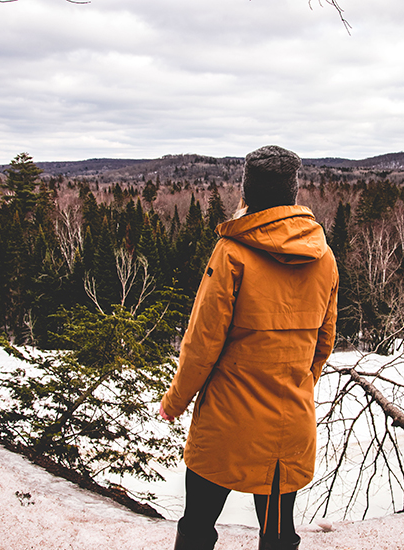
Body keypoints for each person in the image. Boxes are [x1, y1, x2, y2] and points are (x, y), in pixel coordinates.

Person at [159, 145, 339, 550]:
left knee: (198, 525)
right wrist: (298, 384)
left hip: (226, 421)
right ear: (293, 192)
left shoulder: (232, 251)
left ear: (247, 192)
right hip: (288, 424)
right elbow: (323, 344)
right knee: (277, 534)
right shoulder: (323, 257)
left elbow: (202, 342)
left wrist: (176, 400)